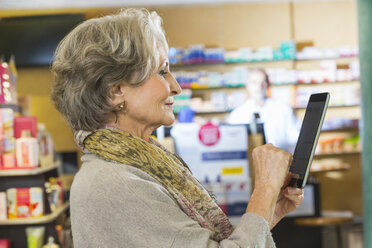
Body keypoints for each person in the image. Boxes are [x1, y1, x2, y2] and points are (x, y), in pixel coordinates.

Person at [51, 9, 304, 248]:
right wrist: (265, 190)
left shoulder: (139, 162)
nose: (175, 87)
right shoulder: (118, 182)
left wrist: (270, 209)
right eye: (162, 71)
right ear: (115, 91)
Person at [228, 69, 300, 153]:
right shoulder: (237, 115)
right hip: (250, 164)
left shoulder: (284, 109)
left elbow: (297, 137)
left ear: (268, 85)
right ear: (247, 85)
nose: (259, 86)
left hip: (279, 162)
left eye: (263, 82)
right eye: (254, 82)